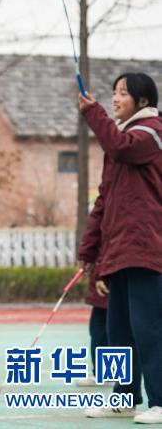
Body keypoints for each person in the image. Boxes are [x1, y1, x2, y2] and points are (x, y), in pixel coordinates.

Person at [78, 72, 162, 423]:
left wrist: (92, 112)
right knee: (119, 330)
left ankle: (159, 400)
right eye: (113, 93)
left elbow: (119, 146)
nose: (115, 99)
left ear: (143, 101)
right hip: (118, 251)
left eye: (123, 93)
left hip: (145, 248)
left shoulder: (151, 133)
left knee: (149, 327)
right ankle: (124, 396)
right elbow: (104, 200)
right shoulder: (121, 139)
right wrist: (89, 252)